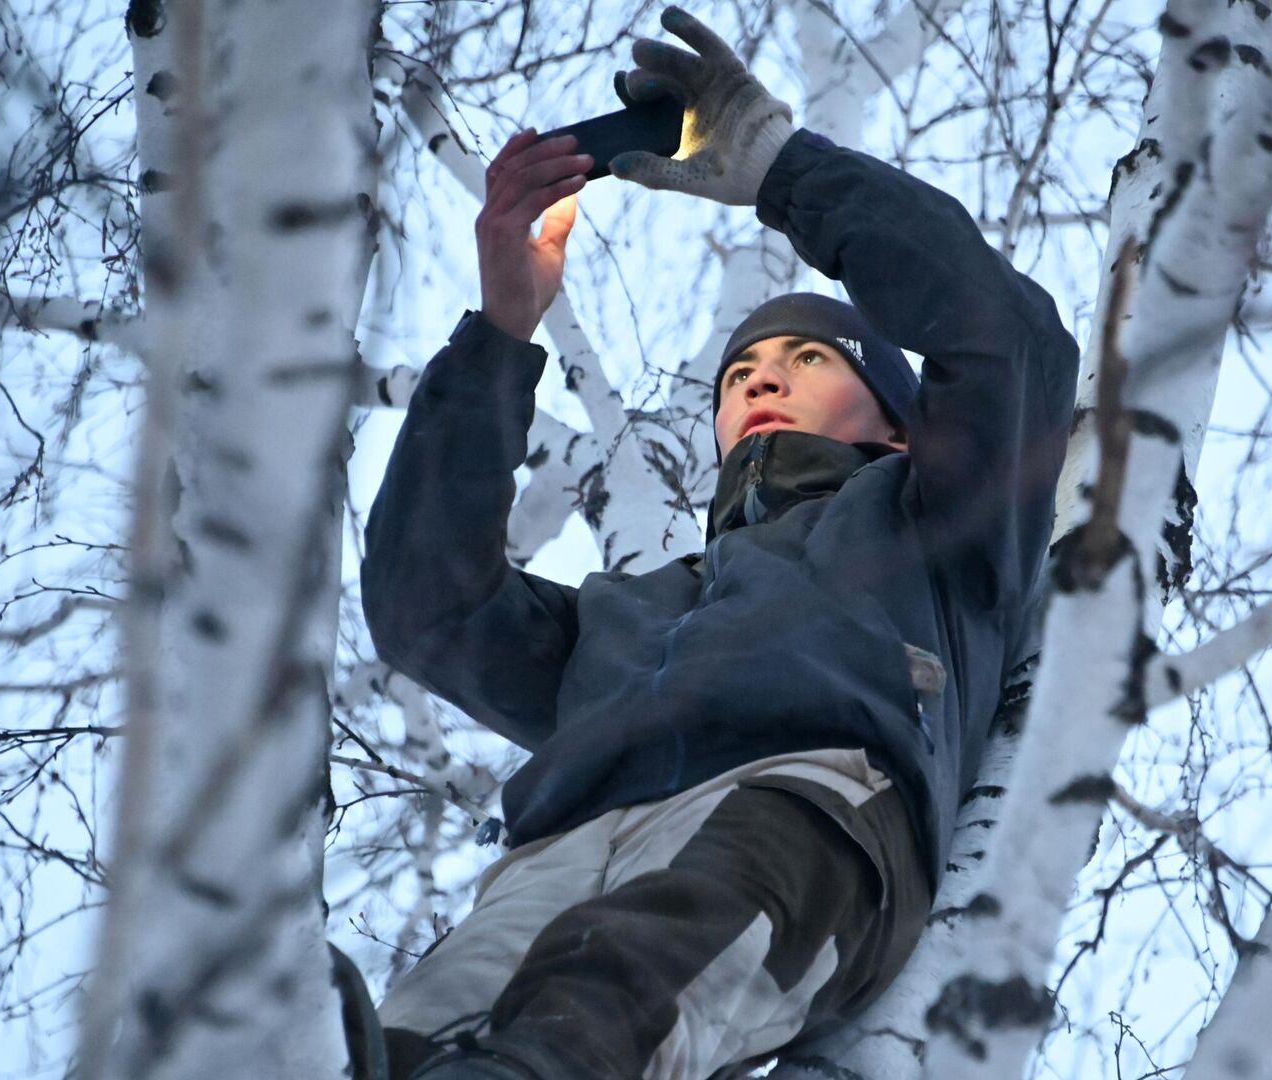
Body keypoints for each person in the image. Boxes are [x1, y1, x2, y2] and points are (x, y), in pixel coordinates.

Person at [357, 8, 1079, 1078]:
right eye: (740, 377)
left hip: (806, 801)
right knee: (404, 1043)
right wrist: (503, 331)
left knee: (603, 1021)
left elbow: (1005, 336)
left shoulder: (939, 522)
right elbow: (428, 610)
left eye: (804, 357)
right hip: (557, 849)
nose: (762, 381)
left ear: (894, 409)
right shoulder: (632, 608)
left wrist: (780, 168)